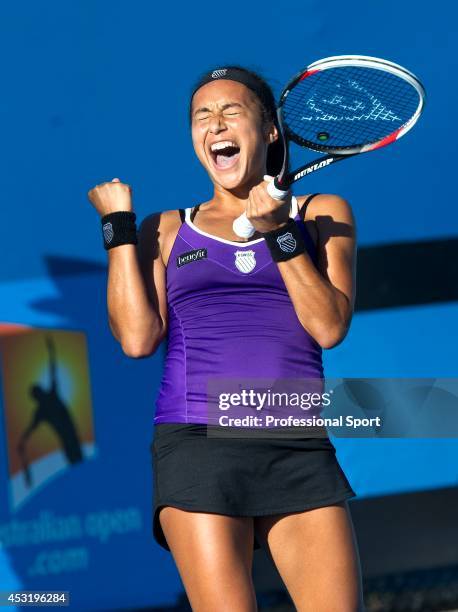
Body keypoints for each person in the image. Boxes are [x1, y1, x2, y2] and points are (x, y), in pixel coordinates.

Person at [87, 65, 364, 611]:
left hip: (297, 445)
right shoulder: (165, 229)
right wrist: (119, 229)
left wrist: (279, 233)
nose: (215, 124)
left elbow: (329, 327)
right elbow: (138, 339)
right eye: (202, 116)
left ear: (270, 131)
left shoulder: (322, 214)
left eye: (231, 111)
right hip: (197, 443)